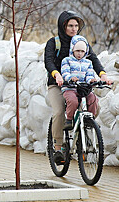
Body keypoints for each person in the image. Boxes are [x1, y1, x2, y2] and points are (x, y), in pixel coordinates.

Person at [44, 10, 110, 164]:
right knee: (59, 112)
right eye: (70, 26)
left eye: (76, 26)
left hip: (79, 85)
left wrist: (102, 75)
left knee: (95, 104)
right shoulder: (54, 43)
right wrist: (57, 74)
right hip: (58, 84)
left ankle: (85, 131)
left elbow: (93, 59)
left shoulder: (81, 43)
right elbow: (48, 61)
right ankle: (59, 147)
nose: (74, 29)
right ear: (63, 26)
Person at [60, 35, 100, 130]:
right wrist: (70, 78)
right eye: (77, 51)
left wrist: (91, 80)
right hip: (70, 88)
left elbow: (89, 75)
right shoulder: (66, 60)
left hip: (84, 89)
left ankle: (90, 119)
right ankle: (69, 119)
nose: (79, 54)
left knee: (93, 99)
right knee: (73, 101)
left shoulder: (88, 63)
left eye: (82, 51)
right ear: (72, 49)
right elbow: (65, 73)